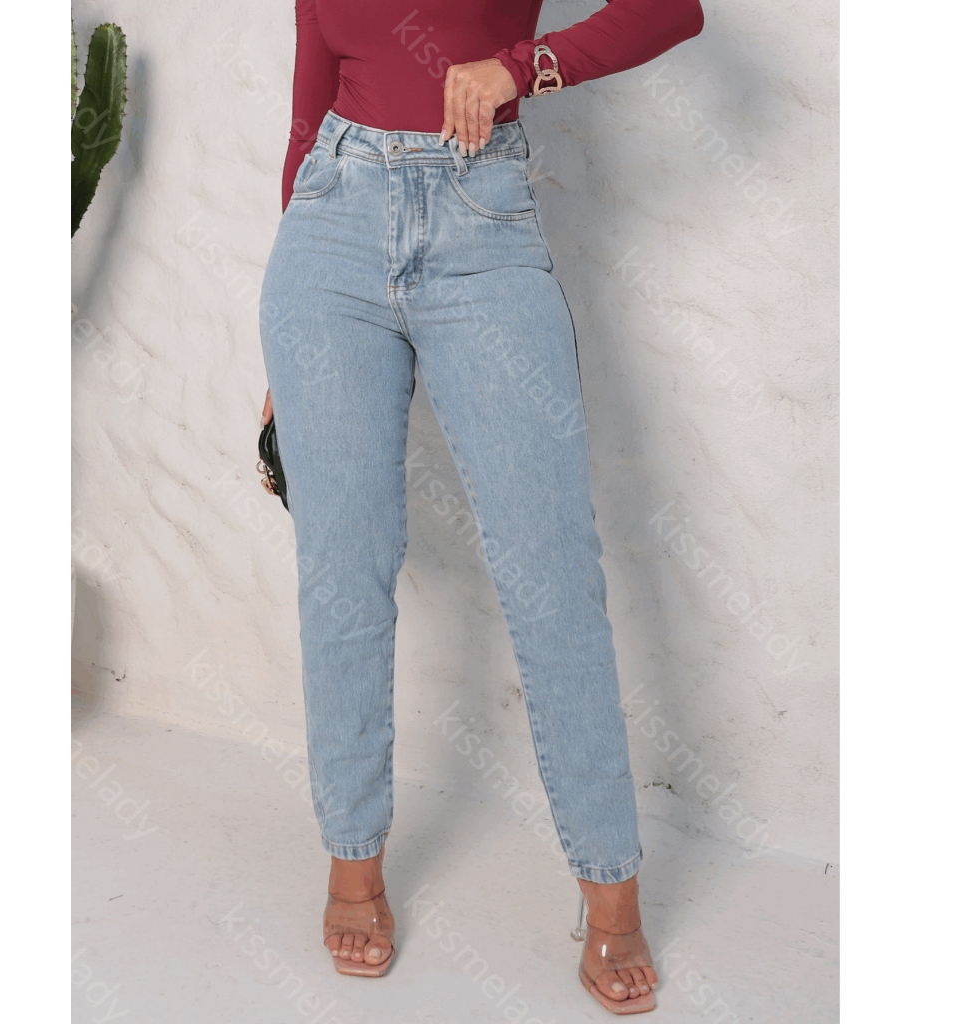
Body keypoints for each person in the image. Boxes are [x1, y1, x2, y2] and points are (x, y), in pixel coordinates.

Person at [258, 0, 704, 1013]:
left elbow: (672, 10)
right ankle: (352, 866)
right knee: (343, 572)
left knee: (552, 578)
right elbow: (306, 112)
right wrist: (284, 368)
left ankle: (609, 887)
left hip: (481, 219)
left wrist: (523, 66)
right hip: (328, 230)